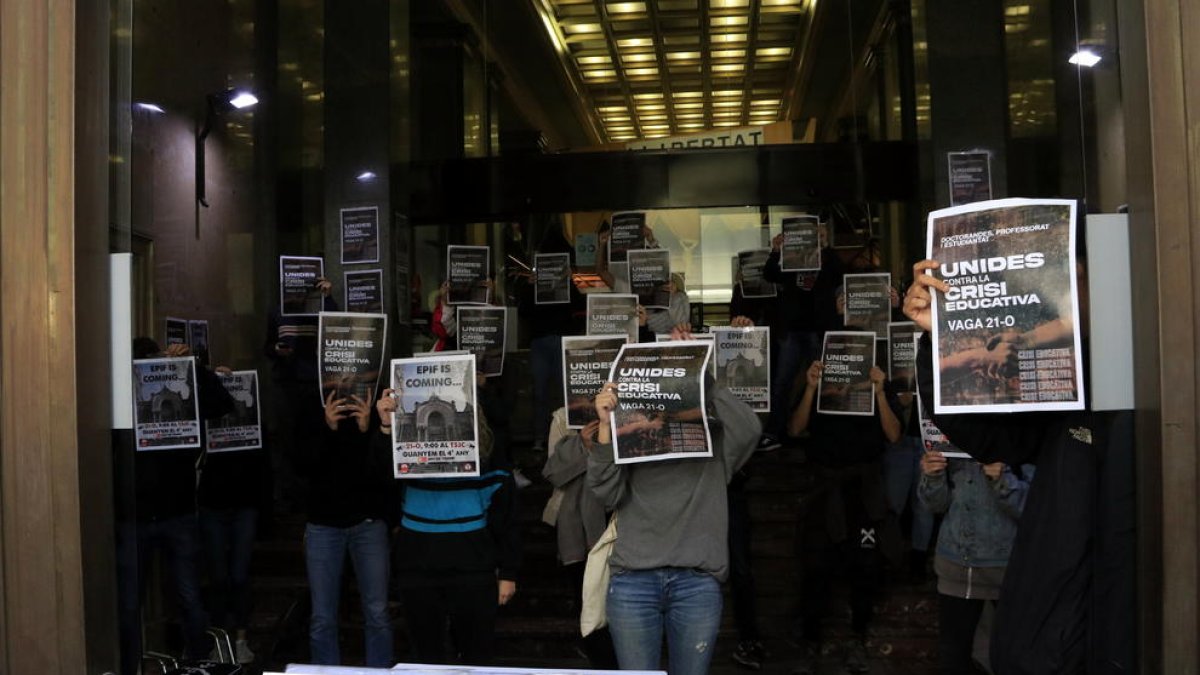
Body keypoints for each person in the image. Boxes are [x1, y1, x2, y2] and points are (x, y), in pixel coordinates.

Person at [903, 258, 1135, 674]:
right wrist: (937, 341)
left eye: (1075, 277)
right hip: (1056, 633)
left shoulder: (1142, 383)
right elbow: (987, 434)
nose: (1062, 293)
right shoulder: (1061, 391)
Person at [587, 323, 760, 675]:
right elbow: (605, 493)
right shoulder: (634, 441)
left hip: (696, 582)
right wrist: (605, 428)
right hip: (634, 582)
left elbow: (750, 429)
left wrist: (703, 374)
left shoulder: (715, 448)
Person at [375, 391, 520, 665]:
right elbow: (378, 482)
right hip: (418, 568)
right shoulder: (404, 452)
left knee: (477, 656)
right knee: (426, 656)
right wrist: (385, 428)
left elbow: (507, 519)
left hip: (473, 570)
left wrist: (509, 572)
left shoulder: (490, 460)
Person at [117, 339, 234, 675]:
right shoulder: (123, 400)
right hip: (137, 516)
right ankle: (129, 667)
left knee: (189, 598)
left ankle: (198, 664)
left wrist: (193, 368)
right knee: (129, 604)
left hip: (176, 512)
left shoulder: (182, 390)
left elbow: (222, 404)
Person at [787, 359, 902, 675]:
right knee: (814, 565)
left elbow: (894, 435)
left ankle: (857, 638)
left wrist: (879, 392)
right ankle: (809, 641)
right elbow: (795, 428)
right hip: (825, 488)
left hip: (862, 491)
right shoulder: (818, 382)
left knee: (865, 565)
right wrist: (811, 387)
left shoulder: (878, 384)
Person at [292, 389, 394, 667]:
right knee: (323, 617)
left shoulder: (376, 401)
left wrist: (366, 429)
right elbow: (301, 465)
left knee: (378, 613)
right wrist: (328, 427)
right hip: (323, 524)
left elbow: (385, 471)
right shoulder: (309, 403)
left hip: (368, 522)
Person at [918, 444, 1033, 673]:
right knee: (953, 658)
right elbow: (936, 505)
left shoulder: (1024, 435)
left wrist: (1002, 478)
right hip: (956, 563)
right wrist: (932, 475)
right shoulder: (953, 432)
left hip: (1009, 568)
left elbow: (1039, 507)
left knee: (1015, 658)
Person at [197, 384, 272, 664]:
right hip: (213, 505)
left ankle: (240, 639)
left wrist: (266, 514)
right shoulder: (205, 420)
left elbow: (265, 469)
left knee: (239, 576)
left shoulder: (254, 426)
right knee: (218, 578)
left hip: (244, 505)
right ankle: (220, 641)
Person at [541, 412, 620, 669]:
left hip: (620, 512)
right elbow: (553, 472)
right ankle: (601, 659)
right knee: (588, 595)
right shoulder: (565, 417)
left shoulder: (633, 406)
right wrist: (584, 446)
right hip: (577, 523)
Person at [759, 229, 845, 451]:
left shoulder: (826, 259)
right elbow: (769, 275)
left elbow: (840, 274)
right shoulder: (790, 258)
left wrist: (825, 247)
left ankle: (820, 430)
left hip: (818, 329)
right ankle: (775, 432)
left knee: (822, 381)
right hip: (793, 329)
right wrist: (776, 251)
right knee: (782, 383)